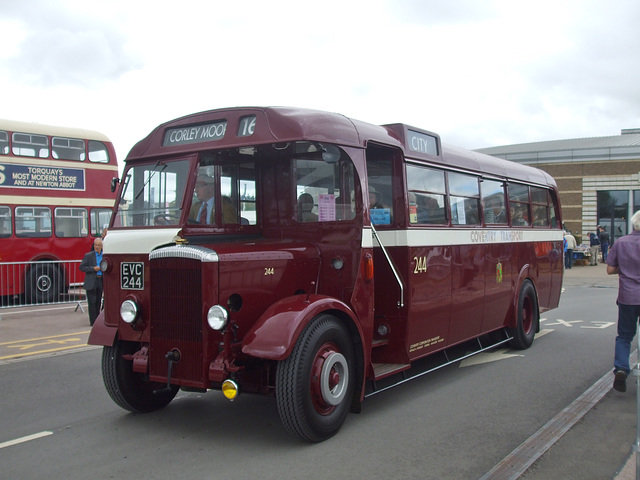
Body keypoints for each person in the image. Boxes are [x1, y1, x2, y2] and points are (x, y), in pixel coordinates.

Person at [606, 210, 640, 392]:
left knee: (625, 336)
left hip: (628, 297)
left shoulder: (621, 242)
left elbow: (610, 270)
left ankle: (621, 368)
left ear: (634, 224)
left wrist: (625, 269)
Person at [80, 238, 104, 326]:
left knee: (98, 301)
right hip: (91, 280)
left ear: (102, 246)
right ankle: (93, 321)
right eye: (95, 245)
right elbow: (82, 267)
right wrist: (93, 269)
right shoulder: (89, 256)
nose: (96, 247)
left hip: (100, 280)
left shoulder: (104, 256)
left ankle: (97, 320)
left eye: (98, 245)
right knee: (92, 302)